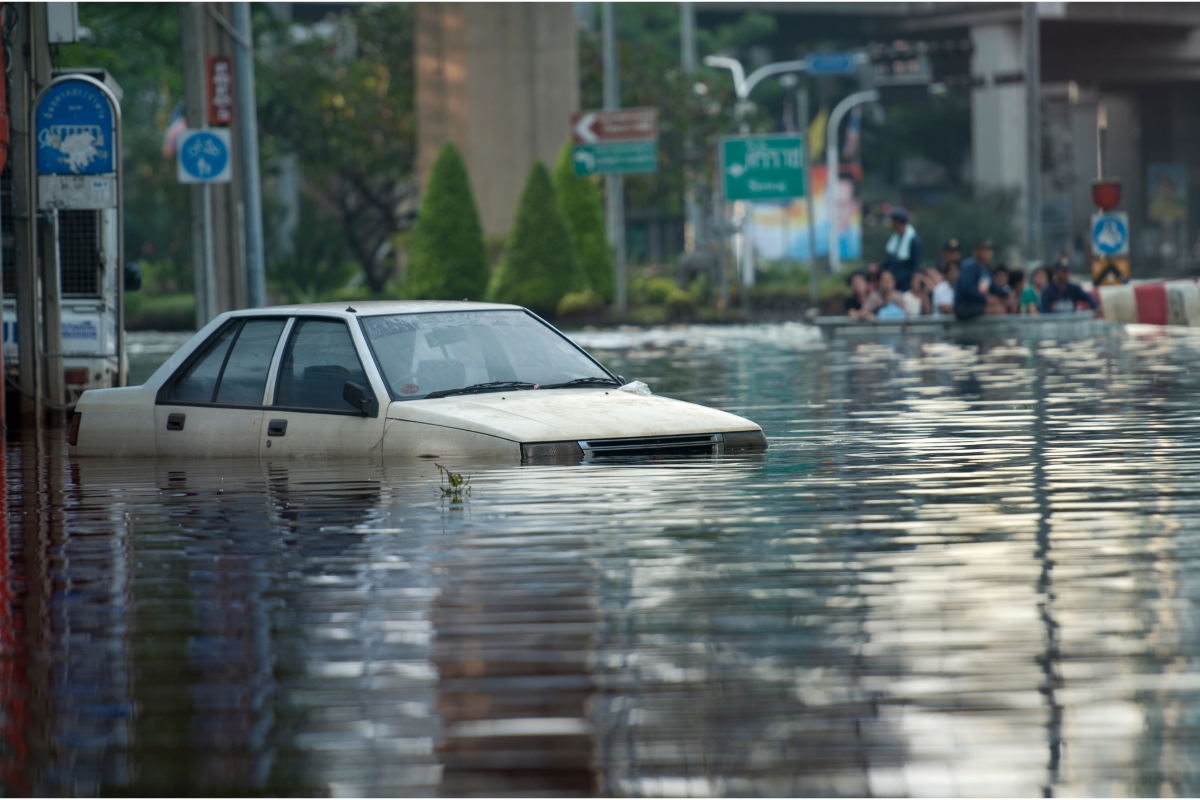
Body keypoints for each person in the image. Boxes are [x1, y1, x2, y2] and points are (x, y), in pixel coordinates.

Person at [954, 239, 1007, 320]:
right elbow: (968, 288)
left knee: (1001, 307)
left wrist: (1007, 294)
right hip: (965, 306)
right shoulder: (969, 266)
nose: (988, 253)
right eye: (985, 250)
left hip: (978, 304)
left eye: (990, 250)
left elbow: (993, 287)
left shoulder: (986, 268)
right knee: (997, 311)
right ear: (976, 251)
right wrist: (986, 299)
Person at [880, 207, 922, 292]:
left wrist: (898, 277)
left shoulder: (914, 241)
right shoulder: (896, 238)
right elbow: (889, 259)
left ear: (897, 223)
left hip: (905, 285)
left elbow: (915, 267)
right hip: (892, 284)